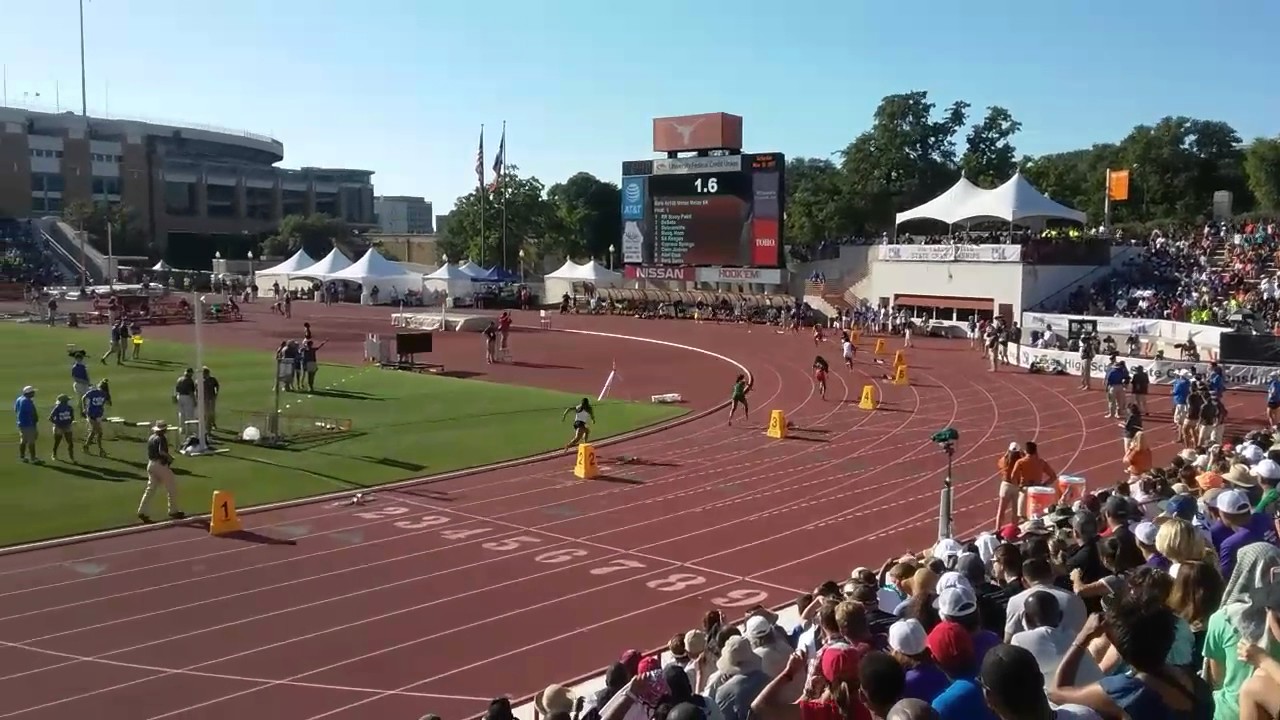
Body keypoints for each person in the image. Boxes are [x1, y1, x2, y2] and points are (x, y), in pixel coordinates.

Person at [138, 420, 184, 523]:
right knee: (171, 487)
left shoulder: (151, 438)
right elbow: (161, 451)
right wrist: (170, 458)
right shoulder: (161, 438)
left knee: (150, 489)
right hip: (160, 465)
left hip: (151, 464)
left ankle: (142, 511)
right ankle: (173, 510)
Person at [81, 381, 109, 456]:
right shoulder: (93, 392)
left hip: (98, 415)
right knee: (99, 432)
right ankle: (101, 450)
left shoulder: (104, 394)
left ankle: (86, 446)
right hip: (91, 415)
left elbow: (103, 403)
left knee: (93, 432)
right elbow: (84, 397)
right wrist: (84, 408)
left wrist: (101, 408)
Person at [48, 393, 76, 463]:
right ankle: (54, 454)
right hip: (59, 427)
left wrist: (68, 422)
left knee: (70, 442)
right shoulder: (58, 408)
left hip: (66, 426)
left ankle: (71, 456)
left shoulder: (69, 408)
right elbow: (50, 418)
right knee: (58, 441)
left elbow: (72, 417)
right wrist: (58, 423)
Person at [14, 385, 38, 464]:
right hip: (28, 424)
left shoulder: (19, 399)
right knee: (31, 441)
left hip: (21, 424)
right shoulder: (26, 401)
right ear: (29, 393)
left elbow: (16, 410)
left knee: (23, 440)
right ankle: (33, 458)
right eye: (33, 392)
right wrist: (34, 421)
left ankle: (22, 456)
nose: (34, 393)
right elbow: (31, 413)